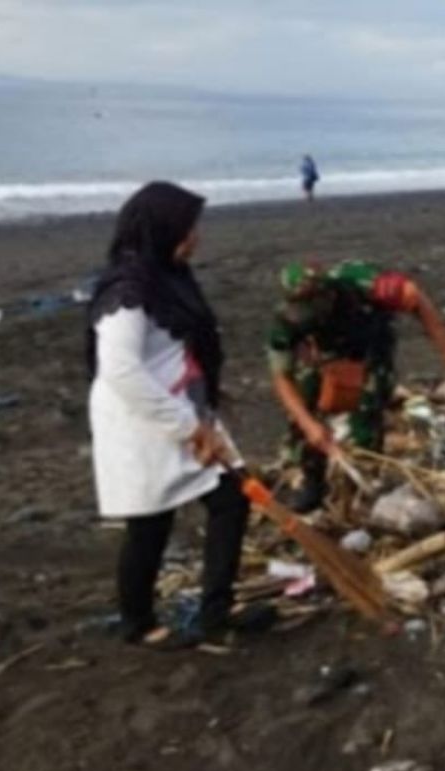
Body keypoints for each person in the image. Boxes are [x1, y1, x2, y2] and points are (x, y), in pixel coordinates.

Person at [87, 182, 264, 649]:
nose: (195, 237)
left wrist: (202, 414)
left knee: (231, 498)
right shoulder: (127, 290)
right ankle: (138, 624)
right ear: (162, 230)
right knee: (151, 520)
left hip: (188, 406)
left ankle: (216, 613)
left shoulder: (170, 276)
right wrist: (188, 427)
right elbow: (121, 370)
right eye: (188, 229)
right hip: (143, 418)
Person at [268, 260, 445, 512]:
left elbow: (415, 298)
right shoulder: (288, 320)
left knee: (367, 410)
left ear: (326, 294)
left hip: (370, 345)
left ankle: (361, 482)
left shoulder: (362, 284)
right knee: (304, 409)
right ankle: (313, 482)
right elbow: (282, 377)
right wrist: (310, 426)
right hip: (324, 351)